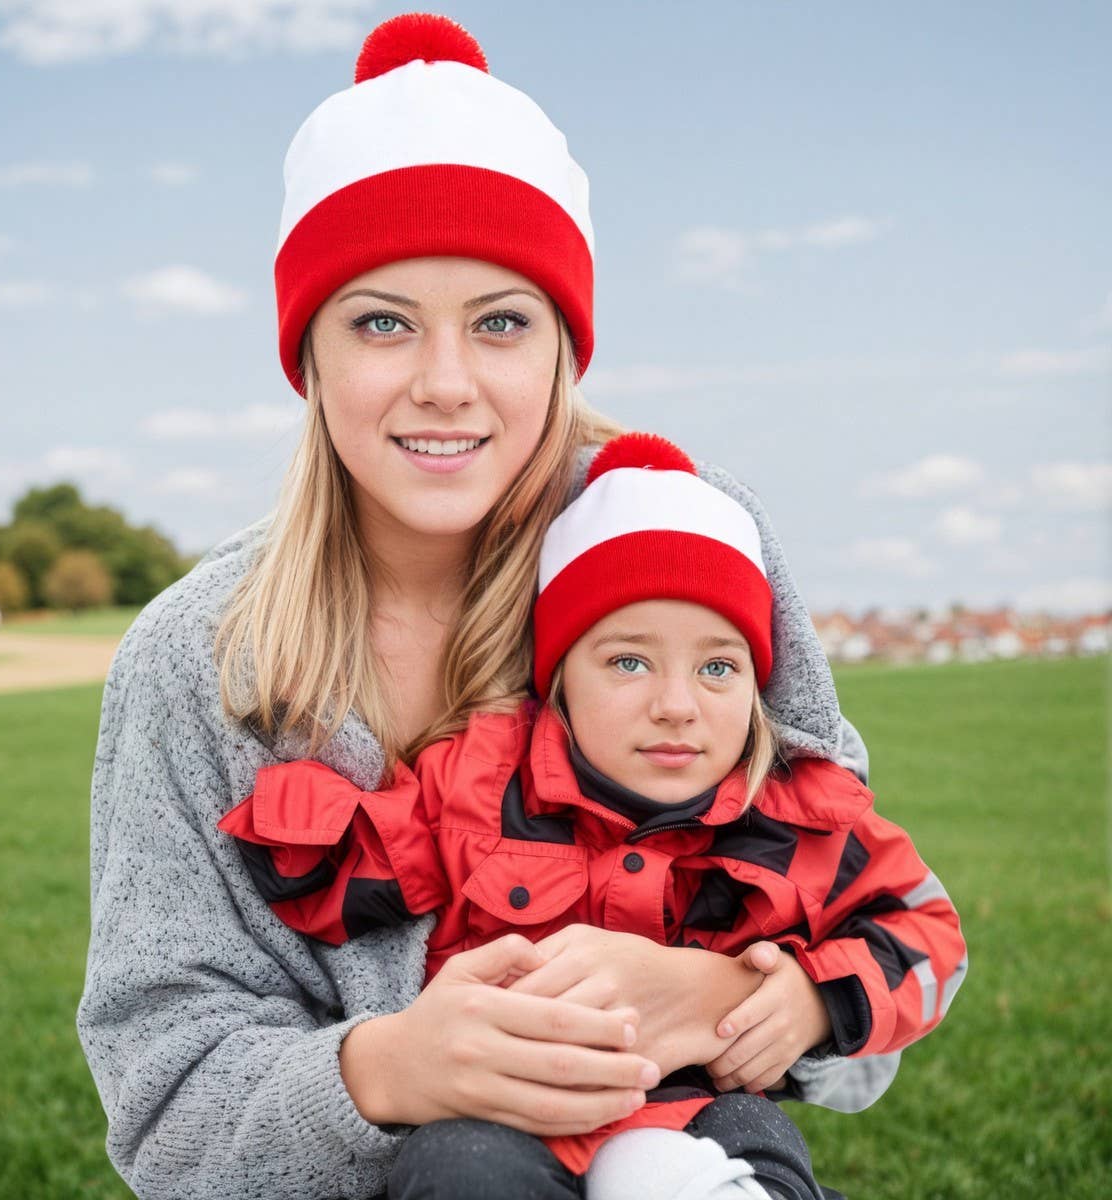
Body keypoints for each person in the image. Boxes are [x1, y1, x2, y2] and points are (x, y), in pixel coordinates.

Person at [77, 13, 919, 1200]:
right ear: (308, 352)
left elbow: (868, 944)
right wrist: (384, 1073)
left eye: (501, 322)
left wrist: (725, 996)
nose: (445, 383)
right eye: (382, 321)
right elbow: (165, 1111)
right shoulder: (197, 660)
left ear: (564, 347)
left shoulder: (689, 537)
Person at [219, 432, 968, 1200]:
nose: (676, 705)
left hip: (697, 1106)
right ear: (560, 678)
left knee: (758, 1147)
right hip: (511, 1105)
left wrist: (817, 1000)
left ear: (758, 683)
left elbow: (928, 938)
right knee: (451, 1167)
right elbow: (368, 859)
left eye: (717, 667)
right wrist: (298, 816)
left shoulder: (798, 813)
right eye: (628, 662)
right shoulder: (481, 778)